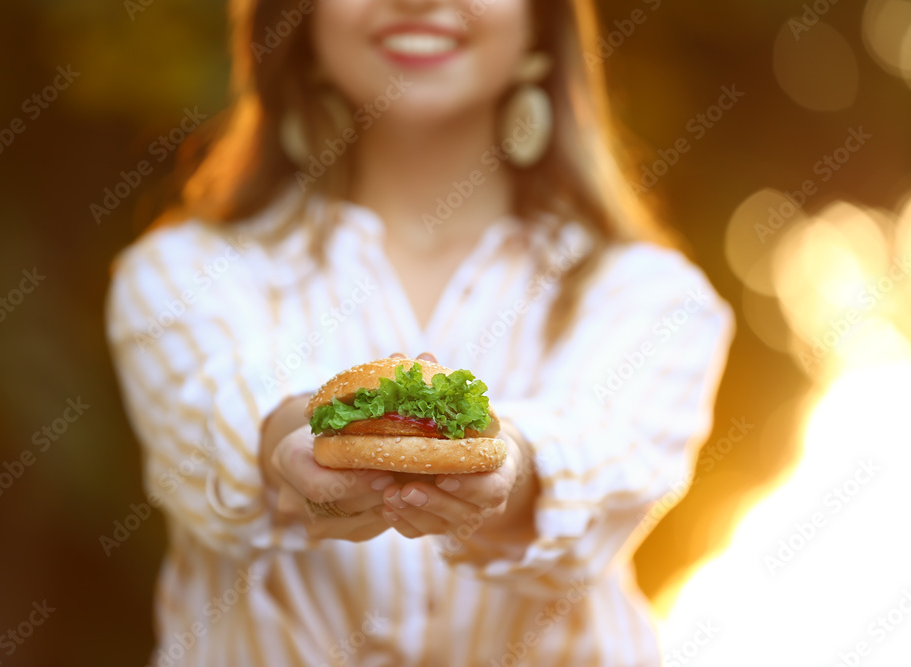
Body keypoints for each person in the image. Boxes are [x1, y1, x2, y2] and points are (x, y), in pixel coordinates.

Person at [105, 0, 735, 664]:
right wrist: (302, 441)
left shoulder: (652, 296)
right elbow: (215, 417)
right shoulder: (181, 273)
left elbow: (604, 463)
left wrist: (505, 461)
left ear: (541, 26)